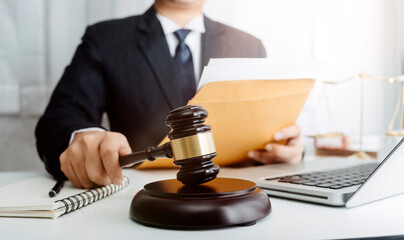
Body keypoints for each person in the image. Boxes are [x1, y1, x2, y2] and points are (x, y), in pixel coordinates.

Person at [35, 0, 303, 189]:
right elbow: (60, 119)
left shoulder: (249, 45)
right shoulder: (105, 39)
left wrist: (288, 148)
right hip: (141, 194)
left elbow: (266, 125)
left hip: (235, 193)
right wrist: (82, 138)